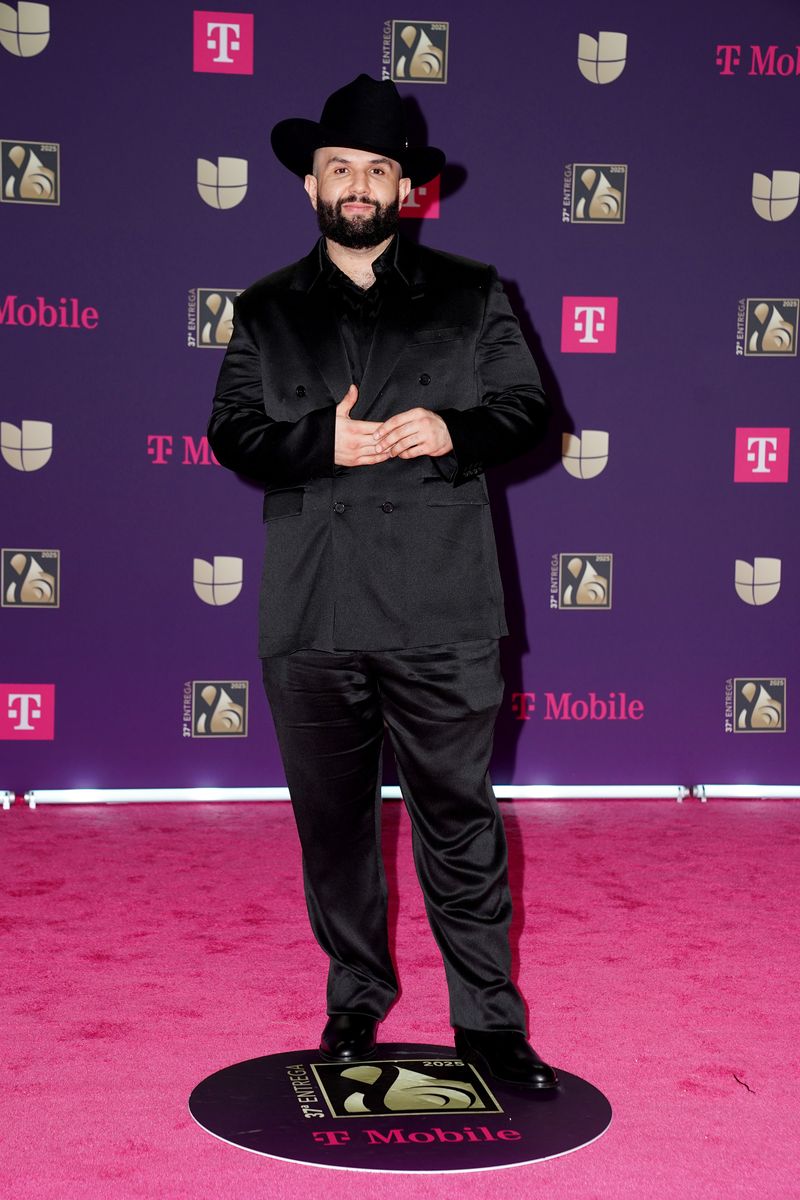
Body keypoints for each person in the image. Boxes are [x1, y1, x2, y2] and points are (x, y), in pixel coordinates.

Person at [208, 74, 556, 1089]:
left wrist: (453, 429)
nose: (356, 185)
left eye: (376, 170)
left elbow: (525, 410)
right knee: (333, 828)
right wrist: (323, 441)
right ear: (308, 182)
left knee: (458, 817)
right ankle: (354, 1001)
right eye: (338, 168)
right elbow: (231, 431)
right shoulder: (264, 308)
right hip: (311, 608)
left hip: (441, 605)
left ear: (406, 187)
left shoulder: (473, 290)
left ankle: (489, 1020)